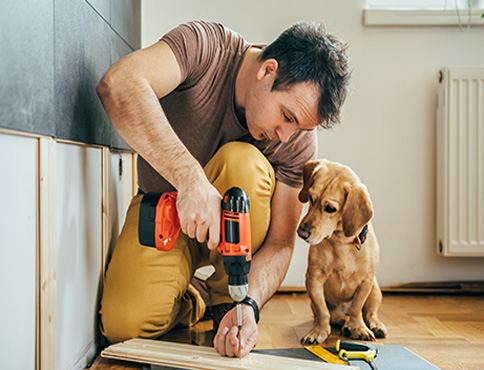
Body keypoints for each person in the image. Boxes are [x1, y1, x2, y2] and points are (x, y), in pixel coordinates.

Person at [96, 20, 351, 358]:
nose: (286, 135)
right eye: (287, 117)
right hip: (164, 209)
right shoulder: (205, 47)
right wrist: (190, 180)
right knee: (123, 325)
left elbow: (279, 244)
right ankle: (196, 297)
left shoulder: (296, 140)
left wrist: (250, 302)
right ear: (268, 71)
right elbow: (119, 84)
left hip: (235, 248)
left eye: (299, 127)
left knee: (242, 162)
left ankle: (225, 300)